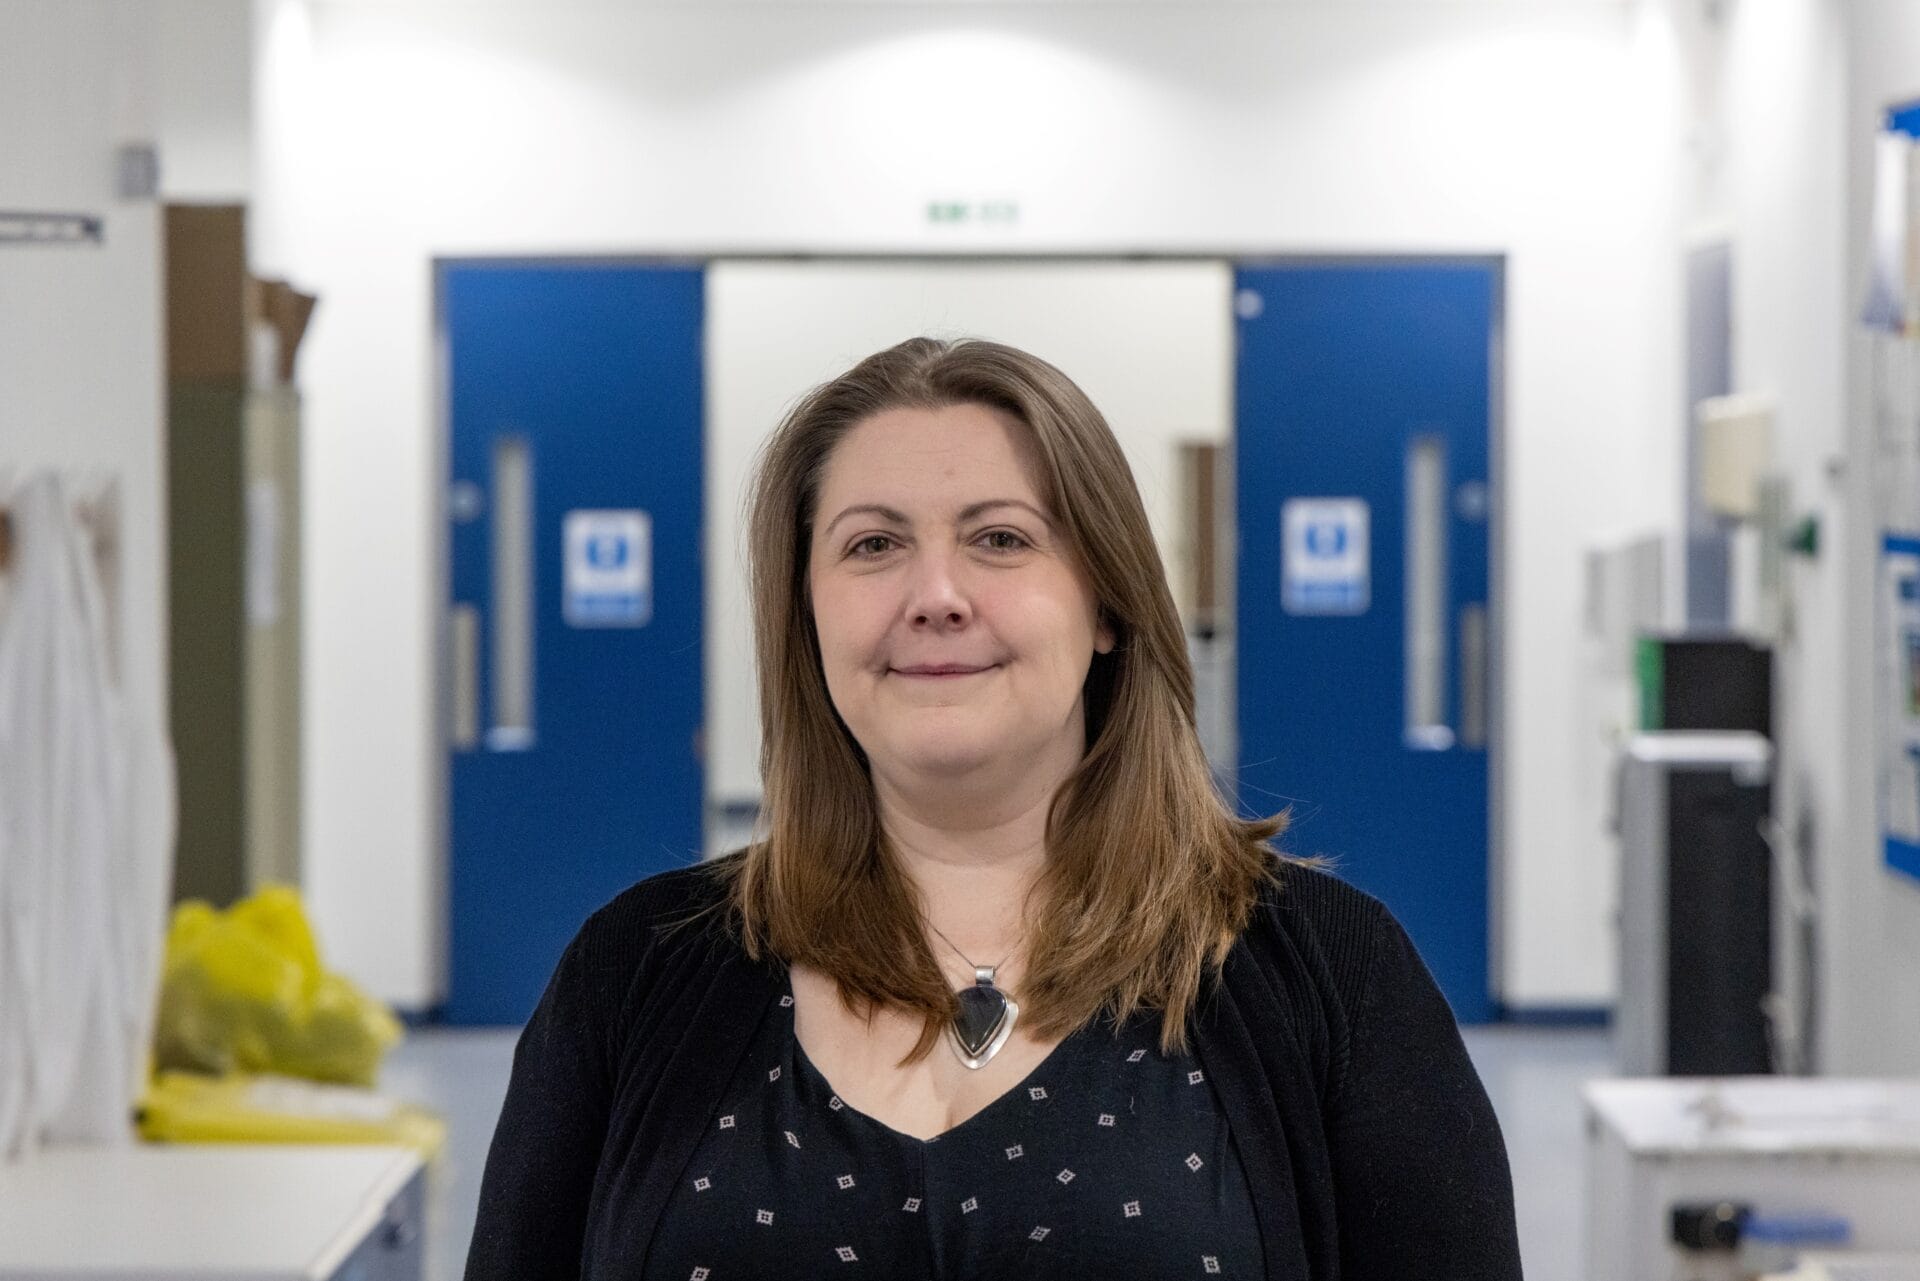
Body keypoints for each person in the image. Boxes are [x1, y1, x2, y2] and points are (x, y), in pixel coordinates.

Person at [465, 337, 1522, 1280]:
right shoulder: (637, 970)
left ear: (1109, 602)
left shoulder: (1331, 975)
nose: (937, 593)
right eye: (873, 545)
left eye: (1002, 540)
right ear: (808, 614)